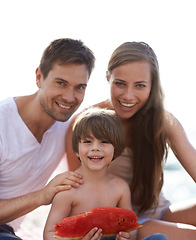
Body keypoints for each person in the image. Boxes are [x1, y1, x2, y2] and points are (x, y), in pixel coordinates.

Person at [66, 42, 196, 240]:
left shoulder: (164, 121)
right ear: (108, 78)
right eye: (120, 83)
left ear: (152, 85)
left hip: (160, 212)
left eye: (140, 86)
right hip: (120, 224)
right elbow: (77, 192)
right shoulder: (84, 123)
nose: (128, 95)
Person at [0, 38, 95, 239]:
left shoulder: (69, 125)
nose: (70, 97)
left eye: (80, 87)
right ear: (39, 77)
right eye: (61, 83)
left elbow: (120, 104)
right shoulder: (2, 123)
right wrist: (43, 195)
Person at [44, 107, 168, 240]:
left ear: (116, 149)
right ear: (76, 149)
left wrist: (127, 236)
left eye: (104, 142)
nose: (96, 148)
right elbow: (49, 234)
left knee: (159, 238)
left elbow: (131, 226)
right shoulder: (68, 190)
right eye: (87, 141)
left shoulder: (120, 187)